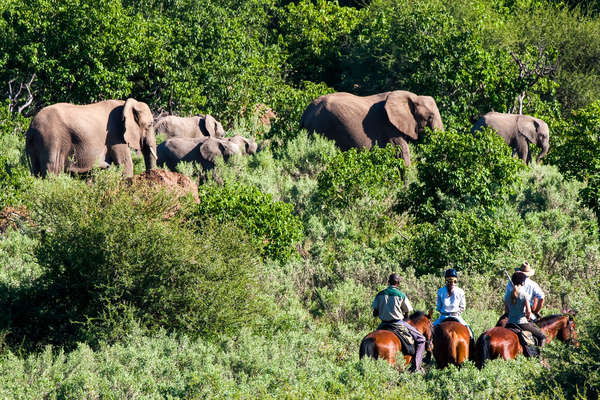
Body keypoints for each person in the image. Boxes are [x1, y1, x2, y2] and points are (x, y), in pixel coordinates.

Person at [372, 273, 426, 373]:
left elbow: (375, 312)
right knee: (421, 339)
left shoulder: (380, 294)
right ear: (398, 283)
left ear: (388, 282)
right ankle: (417, 367)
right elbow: (407, 312)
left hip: (383, 324)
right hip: (397, 323)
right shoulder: (401, 295)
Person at [504, 271, 546, 348]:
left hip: (509, 322)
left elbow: (506, 311)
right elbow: (529, 312)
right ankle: (539, 358)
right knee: (542, 336)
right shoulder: (524, 294)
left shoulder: (507, 295)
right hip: (522, 323)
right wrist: (527, 316)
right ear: (522, 282)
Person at [433, 268, 474, 338]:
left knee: (430, 331)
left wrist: (443, 311)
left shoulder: (440, 291)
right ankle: (472, 347)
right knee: (470, 332)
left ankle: (427, 348)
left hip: (443, 316)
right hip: (456, 316)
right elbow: (462, 307)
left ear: (446, 280)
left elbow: (438, 307)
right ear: (456, 280)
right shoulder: (460, 291)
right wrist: (457, 312)